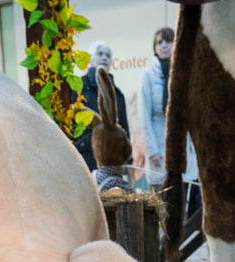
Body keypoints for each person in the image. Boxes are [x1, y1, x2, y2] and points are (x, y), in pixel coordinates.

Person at [139, 27, 199, 213]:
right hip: (158, 148)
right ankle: (161, 242)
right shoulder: (147, 75)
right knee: (161, 207)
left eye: (168, 41)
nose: (164, 46)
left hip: (184, 148)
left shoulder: (185, 73)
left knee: (183, 206)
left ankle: (180, 241)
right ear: (155, 47)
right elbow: (144, 117)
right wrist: (152, 151)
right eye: (160, 42)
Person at [73, 42, 130, 172]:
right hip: (83, 157)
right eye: (100, 54)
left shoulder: (118, 94)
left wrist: (127, 161)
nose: (104, 57)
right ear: (92, 58)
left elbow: (124, 129)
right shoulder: (78, 87)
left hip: (111, 161)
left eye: (108, 55)